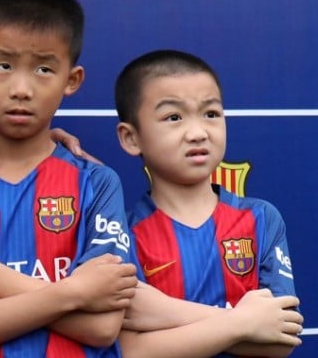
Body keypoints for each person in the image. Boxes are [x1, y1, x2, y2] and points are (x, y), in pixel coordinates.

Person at [0, 0, 139, 356]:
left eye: (43, 69)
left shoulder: (97, 184)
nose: (21, 89)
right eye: (4, 65)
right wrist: (75, 292)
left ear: (71, 80)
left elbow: (104, 326)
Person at [113, 49, 303, 357]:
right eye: (174, 117)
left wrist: (162, 312)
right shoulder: (123, 233)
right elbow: (133, 351)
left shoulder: (261, 218)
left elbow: (280, 337)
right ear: (131, 138)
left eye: (211, 114)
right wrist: (246, 322)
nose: (198, 132)